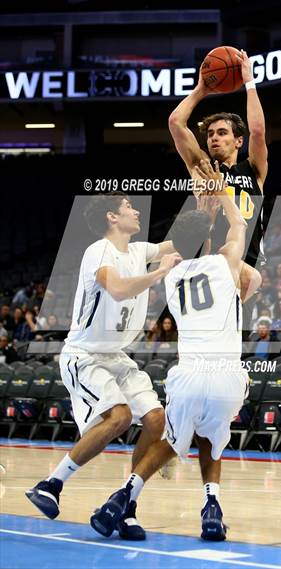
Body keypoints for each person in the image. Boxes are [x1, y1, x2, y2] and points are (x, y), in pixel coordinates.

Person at [90, 159, 248, 542]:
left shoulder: (171, 273)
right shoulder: (226, 262)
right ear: (210, 240)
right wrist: (221, 192)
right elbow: (240, 224)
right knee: (212, 437)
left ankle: (123, 496)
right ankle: (212, 508)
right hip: (227, 375)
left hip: (189, 374)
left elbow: (189, 240)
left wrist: (200, 211)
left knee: (173, 442)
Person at [26, 193, 180, 539]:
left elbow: (180, 238)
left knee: (157, 420)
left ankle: (126, 504)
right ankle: (51, 484)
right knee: (120, 416)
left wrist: (210, 205)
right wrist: (159, 273)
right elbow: (119, 289)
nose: (137, 210)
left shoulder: (138, 251)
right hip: (85, 354)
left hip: (115, 356)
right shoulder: (98, 252)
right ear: (113, 217)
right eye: (129, 207)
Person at [168, 49, 266, 305]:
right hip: (210, 262)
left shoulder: (253, 168)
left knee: (236, 343)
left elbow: (257, 130)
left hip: (248, 264)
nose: (213, 138)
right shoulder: (202, 167)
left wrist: (249, 82)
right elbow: (176, 122)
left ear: (238, 141)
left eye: (222, 133)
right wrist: (201, 89)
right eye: (210, 134)